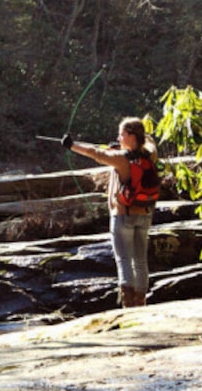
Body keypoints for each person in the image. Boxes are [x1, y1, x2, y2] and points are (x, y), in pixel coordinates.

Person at [61, 117, 158, 308]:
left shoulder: (121, 159)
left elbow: (94, 153)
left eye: (122, 134)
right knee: (140, 261)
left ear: (131, 135)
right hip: (145, 214)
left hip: (123, 215)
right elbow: (150, 141)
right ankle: (141, 304)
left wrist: (72, 145)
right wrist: (125, 144)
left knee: (123, 261)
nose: (118, 137)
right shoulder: (150, 154)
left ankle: (129, 307)